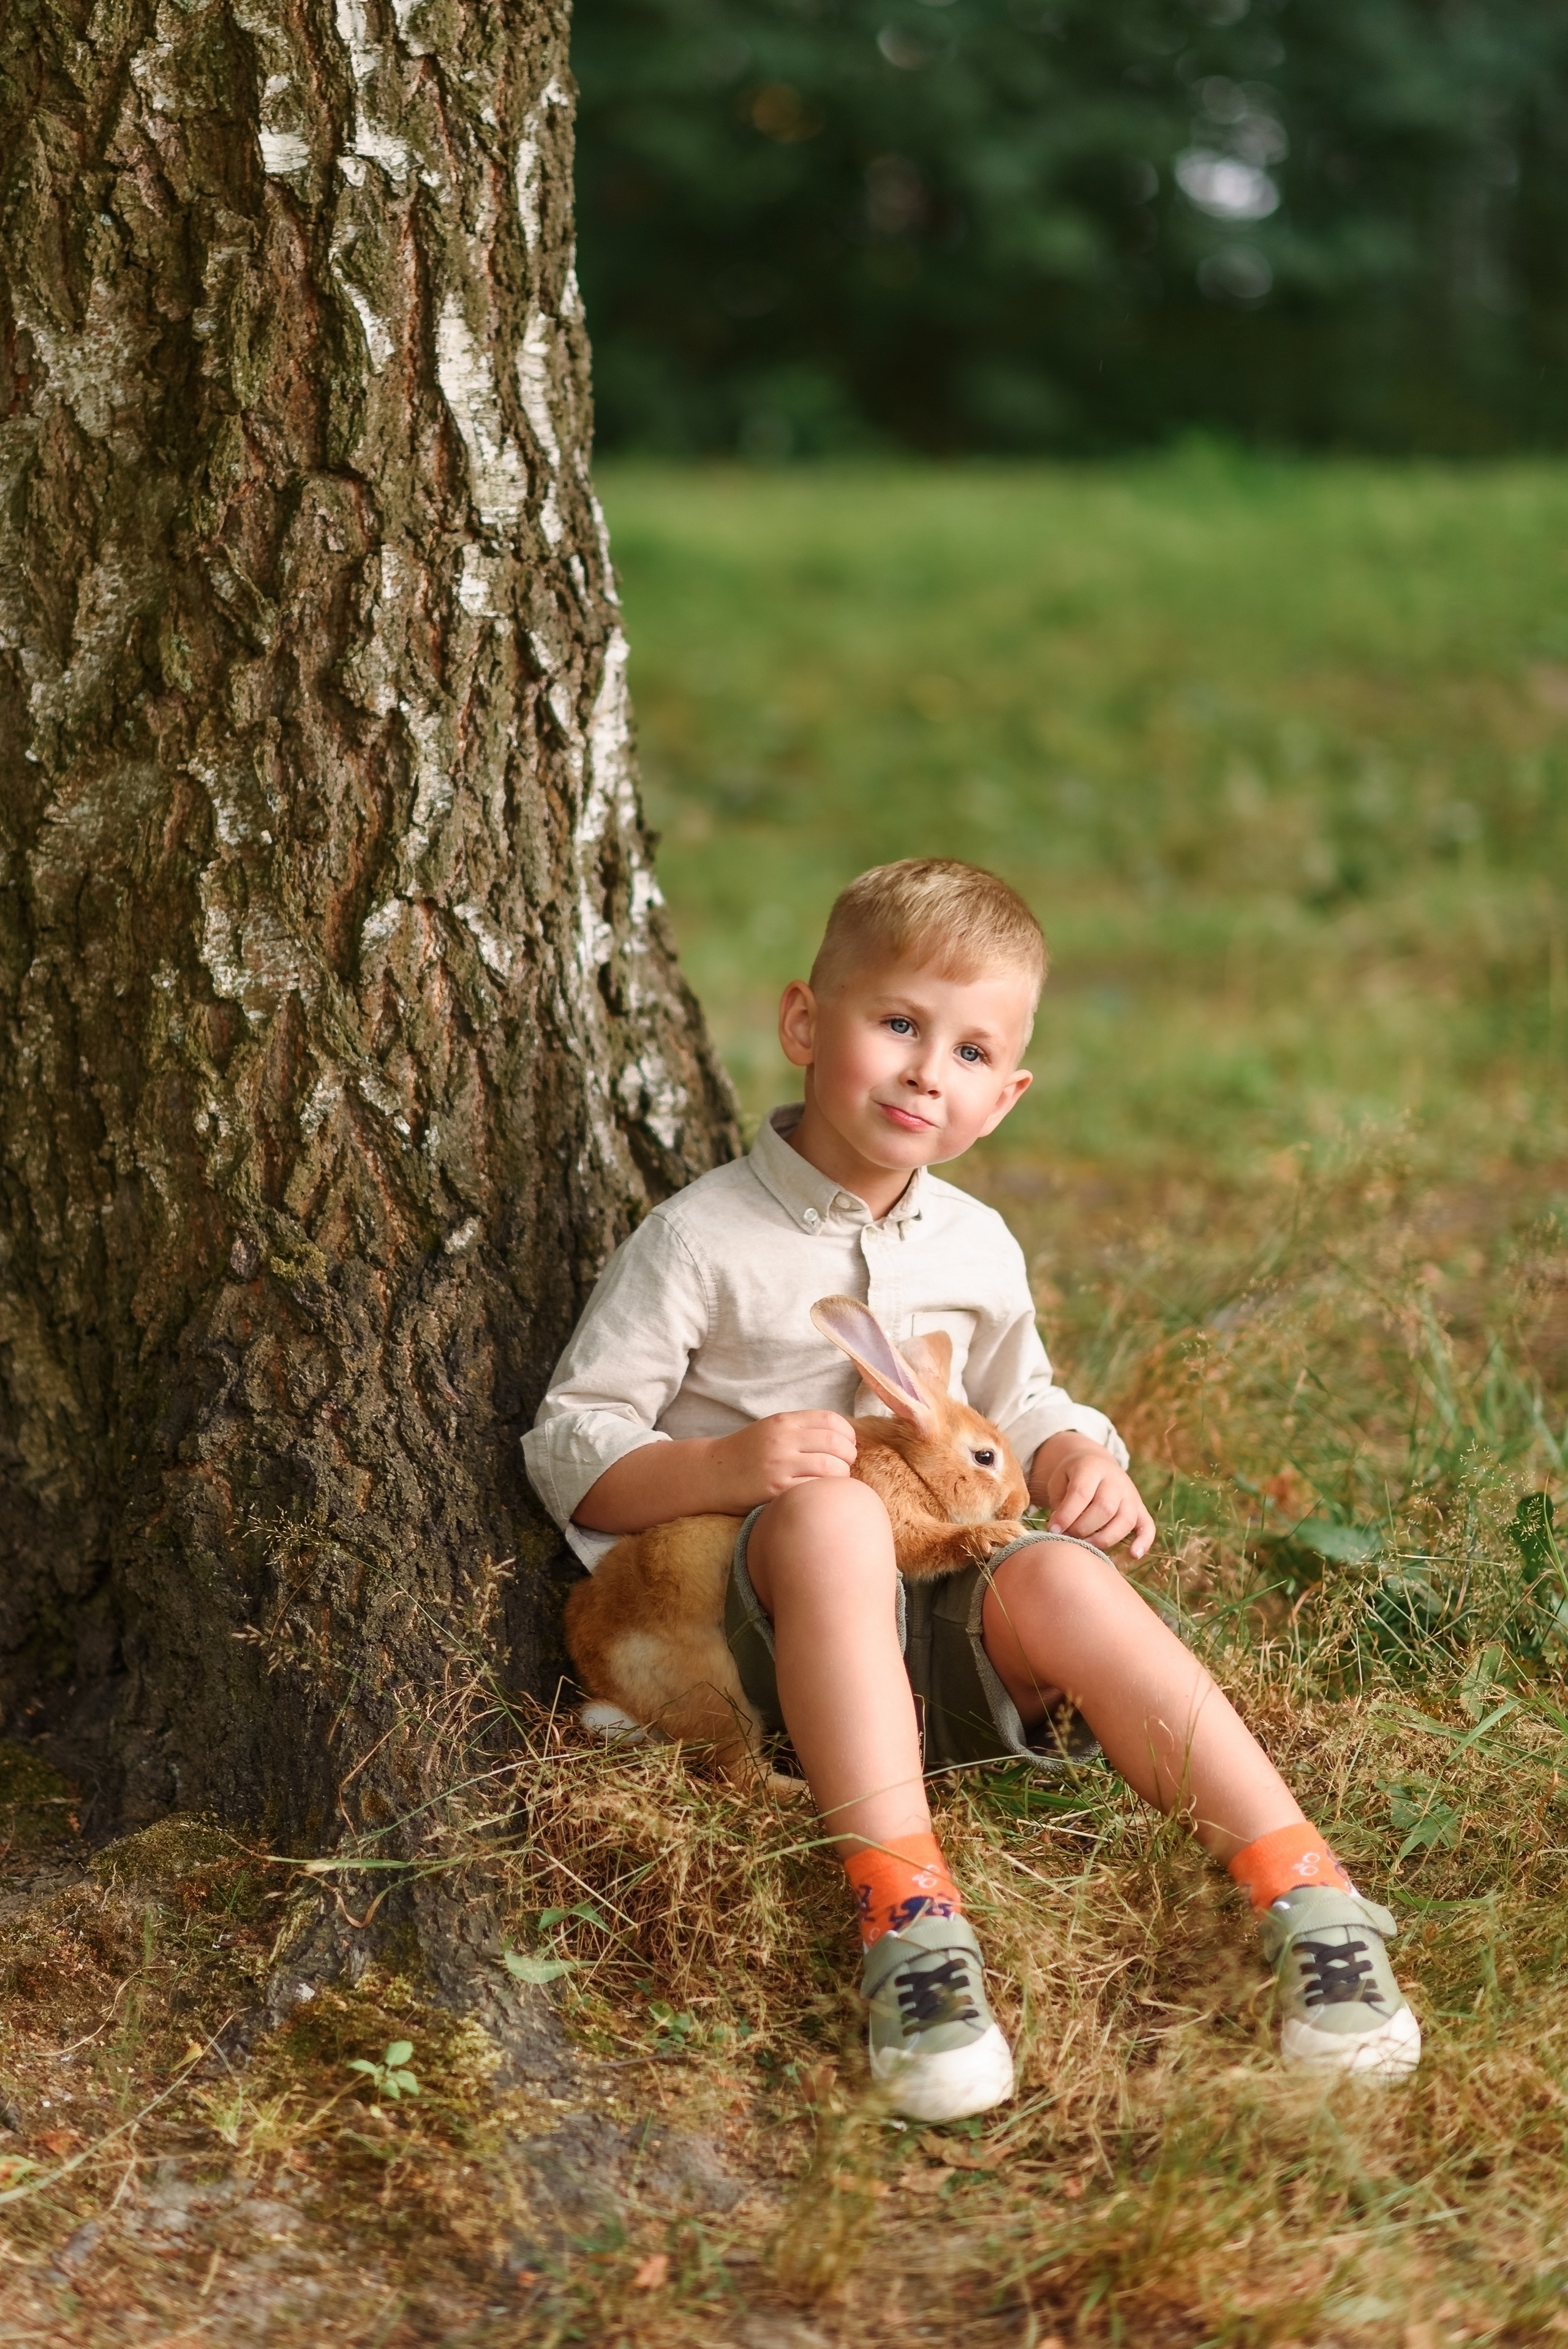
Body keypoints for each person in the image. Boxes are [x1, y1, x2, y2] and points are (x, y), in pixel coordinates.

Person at [524, 860, 1420, 2120]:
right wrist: (724, 1467)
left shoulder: (974, 1247)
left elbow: (1022, 1395)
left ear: (1004, 1096)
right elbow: (573, 1436)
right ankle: (909, 1921)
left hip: (932, 1643)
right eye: (894, 1024)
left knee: (1060, 1570)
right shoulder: (698, 1242)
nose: (920, 1072)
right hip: (750, 1661)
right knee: (832, 1511)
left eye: (966, 1051)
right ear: (802, 1024)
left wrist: (1070, 1456)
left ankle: (1306, 1892)